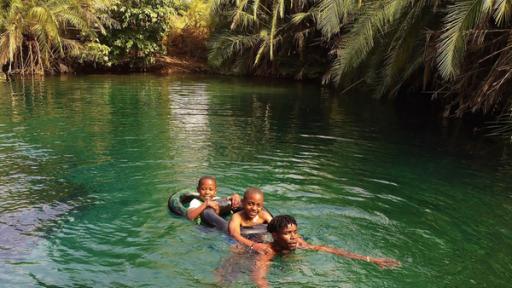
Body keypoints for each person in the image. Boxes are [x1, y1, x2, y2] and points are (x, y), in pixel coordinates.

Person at [252, 215, 401, 288]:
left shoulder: (299, 243)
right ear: (275, 235)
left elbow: (332, 250)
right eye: (287, 233)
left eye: (295, 232)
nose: (293, 237)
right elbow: (260, 278)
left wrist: (371, 259)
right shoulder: (268, 252)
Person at [228, 187, 273, 253]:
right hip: (243, 240)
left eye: (258, 205)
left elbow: (276, 227)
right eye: (250, 204)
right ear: (243, 202)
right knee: (236, 249)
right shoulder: (237, 217)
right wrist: (254, 245)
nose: (254, 208)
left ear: (262, 205)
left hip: (260, 238)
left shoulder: (264, 215)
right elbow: (234, 234)